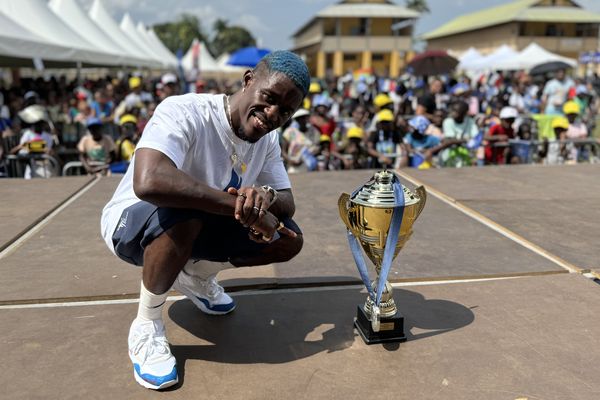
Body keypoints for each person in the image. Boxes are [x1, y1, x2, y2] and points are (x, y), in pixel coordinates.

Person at [100, 50, 309, 390]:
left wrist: (265, 198)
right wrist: (240, 207)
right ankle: (147, 324)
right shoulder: (184, 110)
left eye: (285, 110)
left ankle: (195, 276)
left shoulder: (267, 139)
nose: (272, 115)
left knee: (288, 238)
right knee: (188, 207)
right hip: (131, 223)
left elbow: (288, 201)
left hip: (195, 224)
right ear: (248, 80)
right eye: (269, 99)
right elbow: (149, 181)